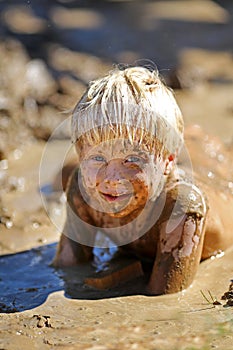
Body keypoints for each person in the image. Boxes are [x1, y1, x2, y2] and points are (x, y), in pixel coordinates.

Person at [53, 66, 233, 294]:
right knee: (62, 174)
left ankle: (191, 140)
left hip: (220, 178)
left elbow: (165, 296)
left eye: (132, 159)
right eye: (97, 157)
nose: (113, 179)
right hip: (167, 154)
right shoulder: (83, 188)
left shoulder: (183, 205)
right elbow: (66, 271)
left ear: (169, 160)